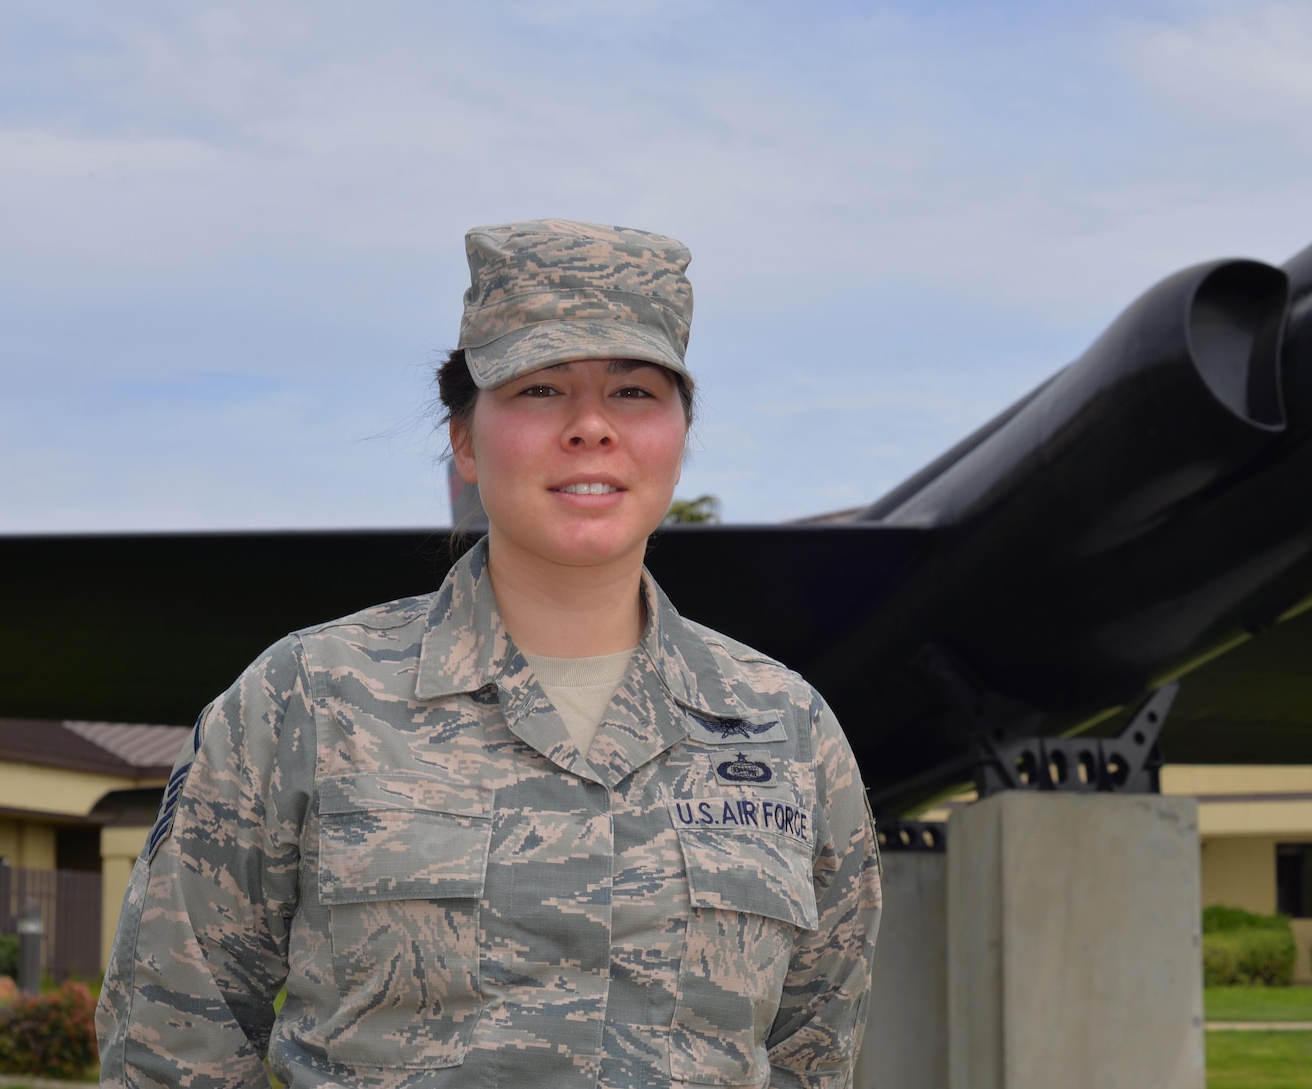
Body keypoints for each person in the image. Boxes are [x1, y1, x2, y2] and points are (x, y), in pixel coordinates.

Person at [96, 219, 882, 1089]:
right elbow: (168, 1037)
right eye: (540, 389)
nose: (590, 426)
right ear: (465, 438)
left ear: (680, 435)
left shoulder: (785, 733)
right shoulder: (309, 701)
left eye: (634, 392)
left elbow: (816, 1056)